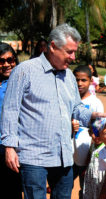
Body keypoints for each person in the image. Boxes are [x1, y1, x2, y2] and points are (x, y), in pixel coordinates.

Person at [0, 24, 106, 199]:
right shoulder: (24, 71)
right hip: (33, 157)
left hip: (64, 156)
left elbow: (77, 109)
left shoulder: (69, 77)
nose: (73, 57)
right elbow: (10, 110)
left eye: (75, 52)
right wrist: (9, 147)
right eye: (69, 52)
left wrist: (94, 117)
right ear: (53, 47)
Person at [72, 65, 105, 198]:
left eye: (83, 80)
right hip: (68, 155)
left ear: (91, 81)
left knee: (85, 190)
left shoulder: (96, 103)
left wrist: (90, 158)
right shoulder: (68, 100)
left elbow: (98, 133)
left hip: (86, 156)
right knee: (63, 186)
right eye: (76, 80)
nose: (79, 83)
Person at [0, 42, 22, 199]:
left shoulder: (21, 82)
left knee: (12, 190)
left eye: (11, 60)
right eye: (1, 61)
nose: (7, 64)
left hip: (13, 148)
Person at [82, 125, 106, 199]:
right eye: (94, 133)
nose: (97, 136)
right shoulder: (92, 145)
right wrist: (85, 169)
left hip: (100, 180)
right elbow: (89, 156)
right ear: (89, 133)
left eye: (99, 133)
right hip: (90, 178)